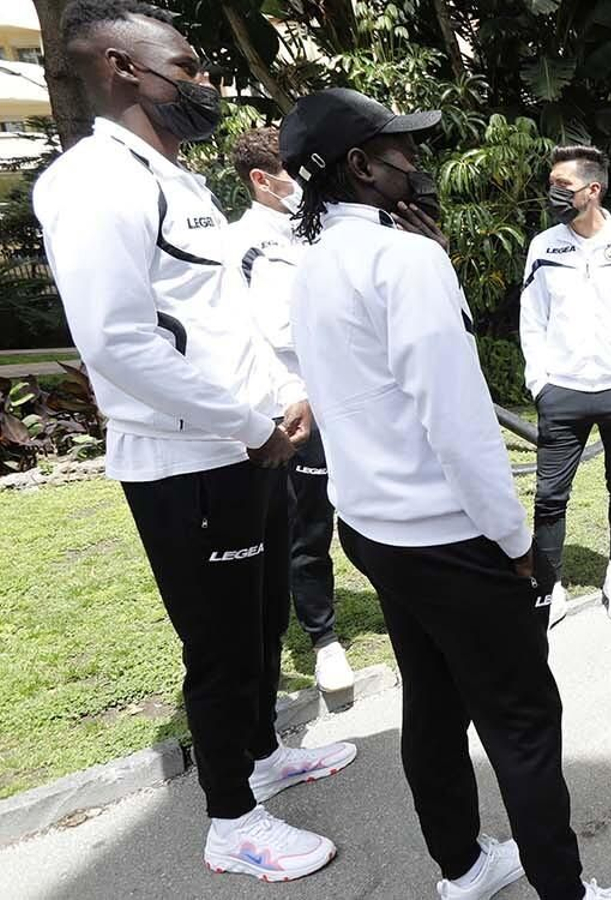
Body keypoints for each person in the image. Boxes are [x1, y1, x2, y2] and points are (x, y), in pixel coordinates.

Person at [282, 88, 611, 900]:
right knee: (524, 721)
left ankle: (462, 867)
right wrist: (516, 541)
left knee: (434, 702)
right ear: (359, 167)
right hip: (447, 534)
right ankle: (568, 891)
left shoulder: (316, 263)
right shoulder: (405, 261)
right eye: (400, 153)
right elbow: (457, 425)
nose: (415, 166)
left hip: (374, 527)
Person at [39, 1, 353, 881]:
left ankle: (258, 756)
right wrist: (248, 423)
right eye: (187, 65)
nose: (204, 82)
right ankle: (231, 821)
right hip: (189, 462)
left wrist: (284, 393)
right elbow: (119, 342)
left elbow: (220, 321)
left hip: (242, 448)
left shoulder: (173, 177)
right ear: (122, 68)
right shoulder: (93, 182)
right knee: (217, 645)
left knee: (259, 623)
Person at [225, 125, 355, 694]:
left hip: (354, 390)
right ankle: (324, 639)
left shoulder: (327, 230)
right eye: (292, 172)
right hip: (298, 400)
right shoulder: (239, 244)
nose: (304, 182)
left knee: (372, 502)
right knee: (309, 527)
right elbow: (253, 333)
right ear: (261, 179)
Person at [520, 144, 611, 625]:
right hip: (561, 390)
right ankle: (551, 585)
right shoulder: (544, 246)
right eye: (552, 185)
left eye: (563, 186)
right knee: (549, 495)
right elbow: (532, 319)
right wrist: (539, 380)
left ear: (593, 189)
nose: (554, 194)